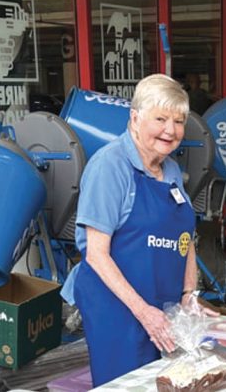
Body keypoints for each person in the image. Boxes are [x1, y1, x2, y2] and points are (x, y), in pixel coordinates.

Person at [73, 74, 216, 386]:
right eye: (161, 118)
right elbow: (96, 254)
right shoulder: (109, 167)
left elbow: (185, 238)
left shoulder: (172, 170)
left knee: (166, 382)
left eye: (178, 121)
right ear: (135, 118)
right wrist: (143, 312)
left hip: (162, 307)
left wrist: (189, 294)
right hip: (118, 309)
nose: (171, 130)